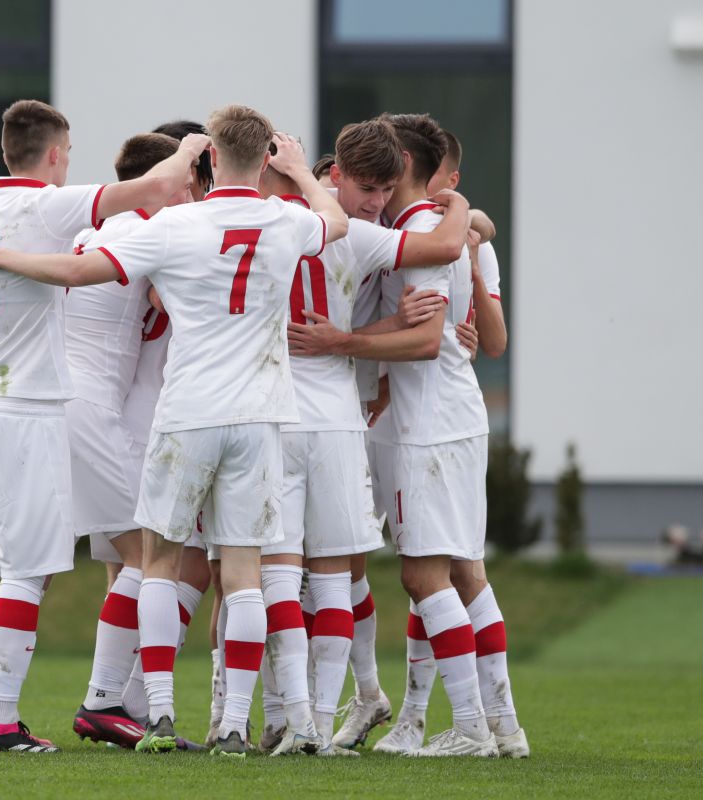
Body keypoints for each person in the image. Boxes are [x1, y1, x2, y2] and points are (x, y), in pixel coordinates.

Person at [0, 105, 349, 758]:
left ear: (211, 158)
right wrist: (303, 173)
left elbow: (79, 270)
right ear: (265, 160)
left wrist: (1, 257)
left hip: (186, 411)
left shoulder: (174, 225)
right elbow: (335, 222)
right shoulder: (285, 220)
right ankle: (232, 725)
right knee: (243, 572)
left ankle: (159, 715)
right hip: (260, 413)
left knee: (159, 562)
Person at [0, 99, 209, 755]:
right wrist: (194, 149)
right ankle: (93, 703)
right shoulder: (91, 218)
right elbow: (153, 215)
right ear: (56, 154)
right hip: (60, 405)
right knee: (148, 554)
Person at [255, 119, 476, 757]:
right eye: (368, 189)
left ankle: (297, 721)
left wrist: (371, 330)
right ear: (334, 176)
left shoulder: (263, 222)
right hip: (316, 414)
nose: (377, 202)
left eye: (386, 190)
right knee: (309, 577)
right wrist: (463, 207)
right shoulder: (352, 232)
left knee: (301, 576)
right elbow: (444, 247)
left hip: (307, 413)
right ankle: (289, 717)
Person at [392, 128, 528, 758]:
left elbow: (485, 342)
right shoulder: (448, 228)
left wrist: (342, 342)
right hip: (452, 415)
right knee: (458, 572)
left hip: (432, 421)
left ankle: (473, 727)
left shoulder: (441, 237)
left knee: (427, 573)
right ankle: (500, 725)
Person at [64, 132, 197, 748]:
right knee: (150, 557)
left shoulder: (94, 230)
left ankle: (117, 704)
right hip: (91, 409)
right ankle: (104, 702)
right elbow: (190, 300)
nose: (191, 198)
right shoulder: (141, 234)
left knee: (121, 563)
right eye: (186, 186)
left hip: (81, 407)